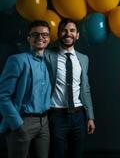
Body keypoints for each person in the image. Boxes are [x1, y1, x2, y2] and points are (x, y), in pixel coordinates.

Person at [0, 20, 52, 158]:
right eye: (35, 34)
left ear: (49, 39)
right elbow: (2, 96)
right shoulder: (17, 60)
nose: (40, 37)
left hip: (44, 124)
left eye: (44, 34)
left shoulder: (49, 63)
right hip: (23, 121)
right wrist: (17, 124)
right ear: (28, 38)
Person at [45, 18, 95, 158]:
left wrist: (90, 117)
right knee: (57, 154)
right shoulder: (48, 55)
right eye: (64, 31)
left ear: (77, 35)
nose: (68, 34)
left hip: (79, 116)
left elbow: (85, 88)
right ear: (59, 33)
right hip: (56, 116)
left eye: (72, 30)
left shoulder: (84, 58)